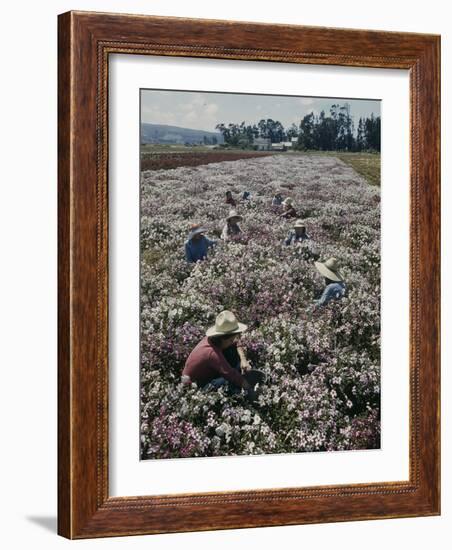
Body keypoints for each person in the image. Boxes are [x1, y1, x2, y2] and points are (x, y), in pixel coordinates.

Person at [181, 310, 252, 394]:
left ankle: (238, 377)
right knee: (227, 382)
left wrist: (243, 360)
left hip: (208, 372)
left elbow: (236, 341)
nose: (233, 341)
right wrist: (249, 387)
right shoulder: (211, 353)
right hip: (196, 388)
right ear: (222, 338)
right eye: (231, 340)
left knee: (232, 350)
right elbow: (230, 374)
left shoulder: (214, 340)